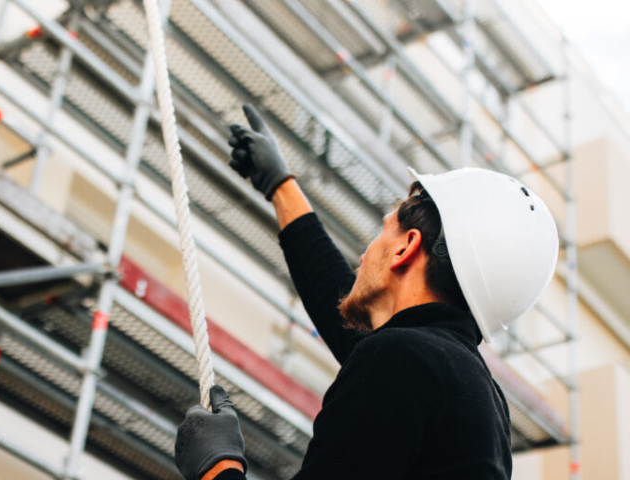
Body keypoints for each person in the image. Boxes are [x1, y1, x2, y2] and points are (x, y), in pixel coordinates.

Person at [174, 105, 559, 480]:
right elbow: (338, 305)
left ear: (406, 247)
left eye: (382, 230)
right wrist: (280, 185)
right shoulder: (476, 396)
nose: (363, 254)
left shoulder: (401, 361)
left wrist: (217, 470)